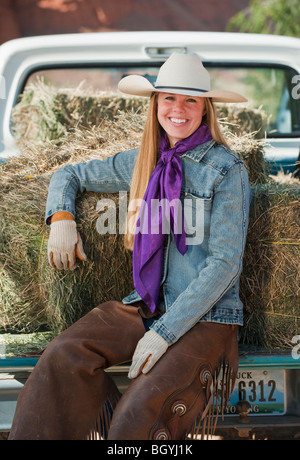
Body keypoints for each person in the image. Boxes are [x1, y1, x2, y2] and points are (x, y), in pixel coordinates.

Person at [9, 53, 251, 440]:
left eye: (190, 100)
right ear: (155, 104)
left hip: (207, 318)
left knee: (134, 424)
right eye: (168, 98)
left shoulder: (227, 171)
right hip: (148, 303)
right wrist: (61, 218)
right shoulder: (143, 162)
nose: (178, 109)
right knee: (61, 356)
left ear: (205, 109)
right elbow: (68, 174)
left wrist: (166, 333)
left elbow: (224, 265)